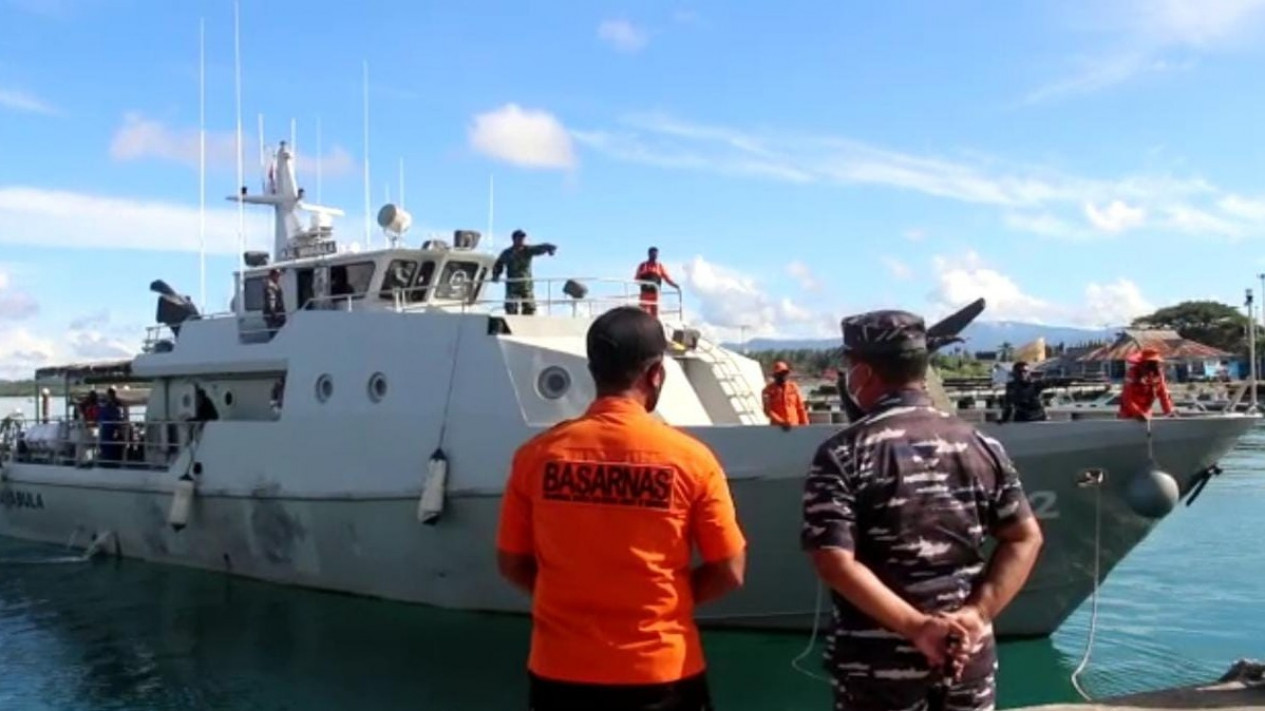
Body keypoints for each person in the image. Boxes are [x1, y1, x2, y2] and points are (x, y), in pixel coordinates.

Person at [496, 305, 747, 711]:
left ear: (594, 371)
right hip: (662, 673)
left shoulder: (536, 456)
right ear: (656, 374)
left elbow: (512, 564)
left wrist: (567, 600)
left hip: (560, 672)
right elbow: (730, 571)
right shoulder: (691, 460)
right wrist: (665, 604)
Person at [801, 309, 1045, 711]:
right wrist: (976, 613)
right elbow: (1025, 536)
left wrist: (917, 628)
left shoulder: (844, 453)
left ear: (861, 373)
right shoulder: (983, 445)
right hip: (965, 659)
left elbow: (833, 560)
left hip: (877, 671)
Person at [491, 229, 557, 316]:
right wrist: (496, 275)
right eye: (520, 237)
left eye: (523, 238)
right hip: (512, 286)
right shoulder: (507, 253)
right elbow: (499, 264)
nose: (522, 239)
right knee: (511, 308)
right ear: (514, 239)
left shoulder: (527, 250)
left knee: (529, 308)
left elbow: (538, 249)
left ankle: (528, 325)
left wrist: (549, 247)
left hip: (526, 285)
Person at [1117, 348, 1175, 420]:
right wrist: (1138, 413)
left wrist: (1169, 412)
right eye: (1150, 362)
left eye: (1155, 362)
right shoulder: (1132, 374)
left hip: (1146, 415)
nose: (1154, 365)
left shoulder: (1159, 375)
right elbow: (1126, 399)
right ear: (1143, 362)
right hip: (1128, 415)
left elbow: (1164, 396)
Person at [634, 246, 680, 318]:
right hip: (645, 294)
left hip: (655, 294)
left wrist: (674, 285)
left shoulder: (660, 266)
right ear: (649, 254)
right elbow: (636, 279)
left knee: (655, 314)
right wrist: (644, 280)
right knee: (643, 313)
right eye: (653, 254)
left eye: (656, 254)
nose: (655, 256)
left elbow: (667, 278)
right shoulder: (643, 266)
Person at [762, 360, 808, 430]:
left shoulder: (793, 387)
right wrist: (781, 422)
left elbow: (800, 408)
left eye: (785, 373)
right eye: (780, 373)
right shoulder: (767, 391)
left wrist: (806, 426)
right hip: (777, 429)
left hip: (794, 427)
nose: (783, 375)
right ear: (775, 375)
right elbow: (768, 411)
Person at [263, 268, 286, 336]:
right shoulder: (271, 286)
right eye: (277, 275)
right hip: (275, 316)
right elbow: (271, 299)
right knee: (276, 334)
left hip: (277, 314)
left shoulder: (273, 285)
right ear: (272, 275)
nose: (278, 277)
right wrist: (274, 313)